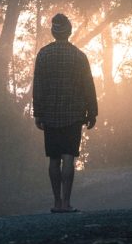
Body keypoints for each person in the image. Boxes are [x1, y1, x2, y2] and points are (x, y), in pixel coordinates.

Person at [32, 13, 98, 213]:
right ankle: (67, 203)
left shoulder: (43, 54)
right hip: (73, 113)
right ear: (69, 32)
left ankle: (56, 202)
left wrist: (38, 112)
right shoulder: (79, 56)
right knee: (68, 156)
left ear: (53, 32)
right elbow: (88, 85)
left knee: (53, 158)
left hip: (50, 113)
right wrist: (92, 111)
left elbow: (39, 85)